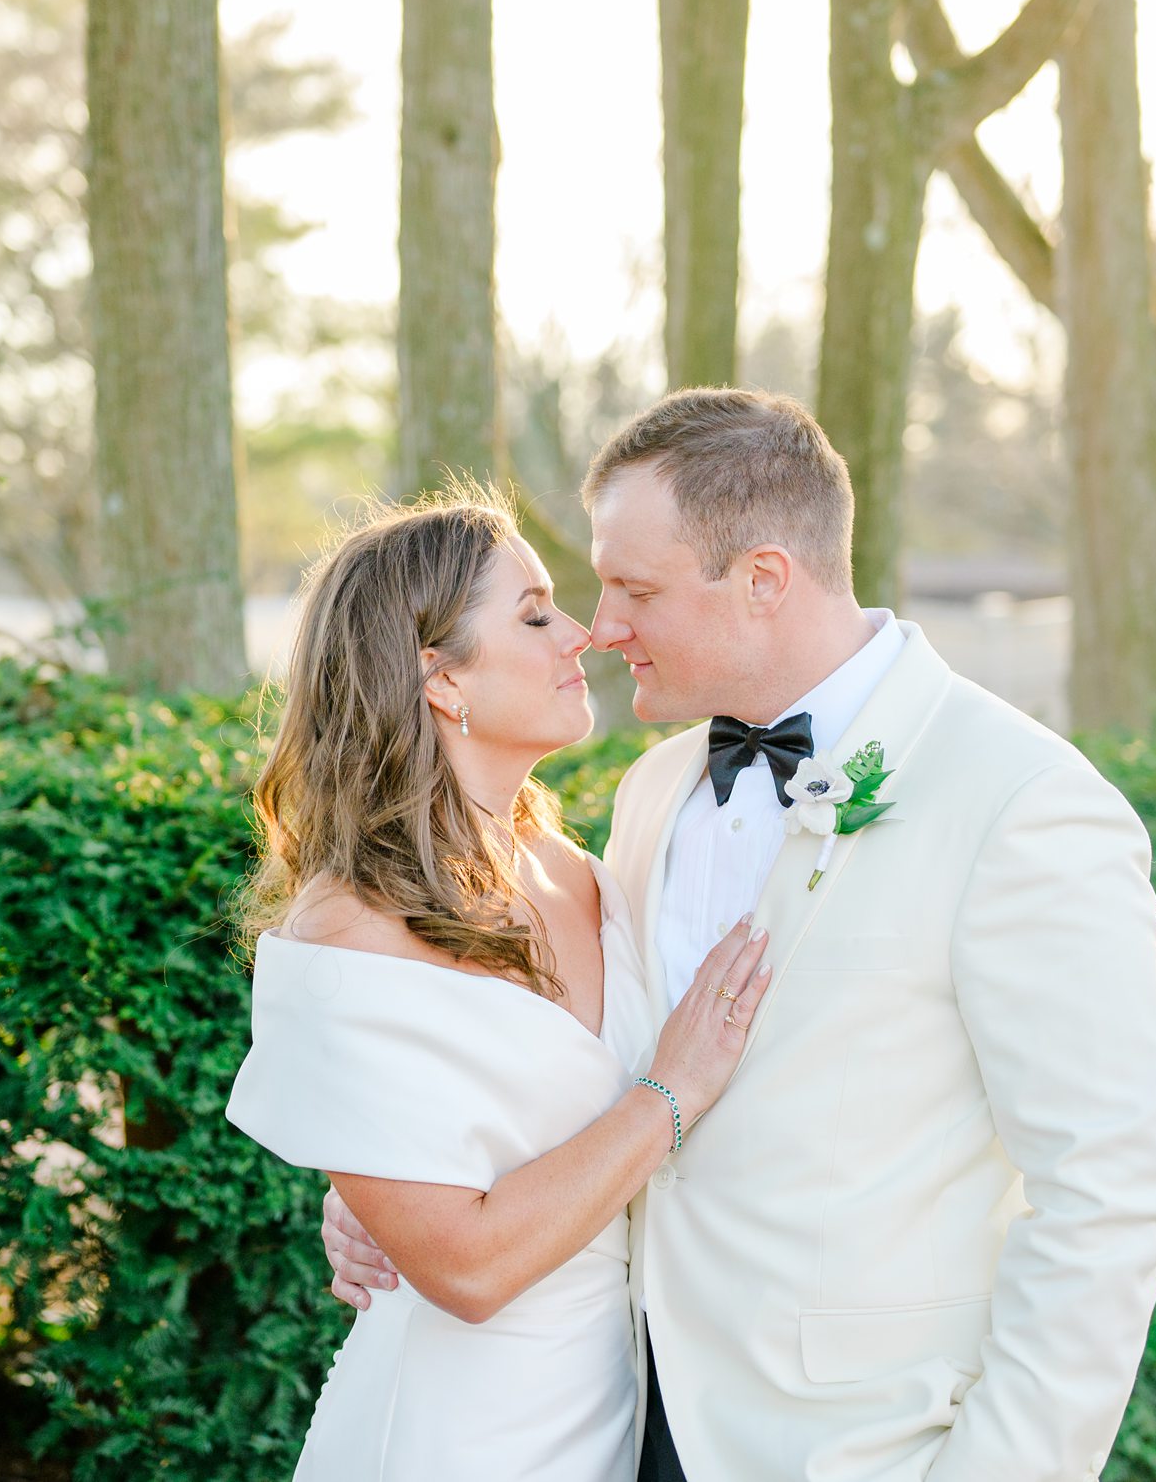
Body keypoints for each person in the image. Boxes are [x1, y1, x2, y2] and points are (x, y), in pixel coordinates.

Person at [321, 389, 1156, 1482]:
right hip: (618, 1418)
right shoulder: (652, 791)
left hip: (863, 1447)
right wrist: (398, 1182)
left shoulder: (1022, 802)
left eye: (636, 587)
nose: (603, 624)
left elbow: (1114, 1191)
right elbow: (558, 1057)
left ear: (764, 579)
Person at [226, 483, 773, 1482]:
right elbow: (467, 1268)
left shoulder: (575, 865)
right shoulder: (349, 929)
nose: (583, 635)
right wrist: (670, 1093)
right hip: (457, 1433)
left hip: (620, 1409)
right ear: (439, 679)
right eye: (534, 615)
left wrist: (377, 1187)